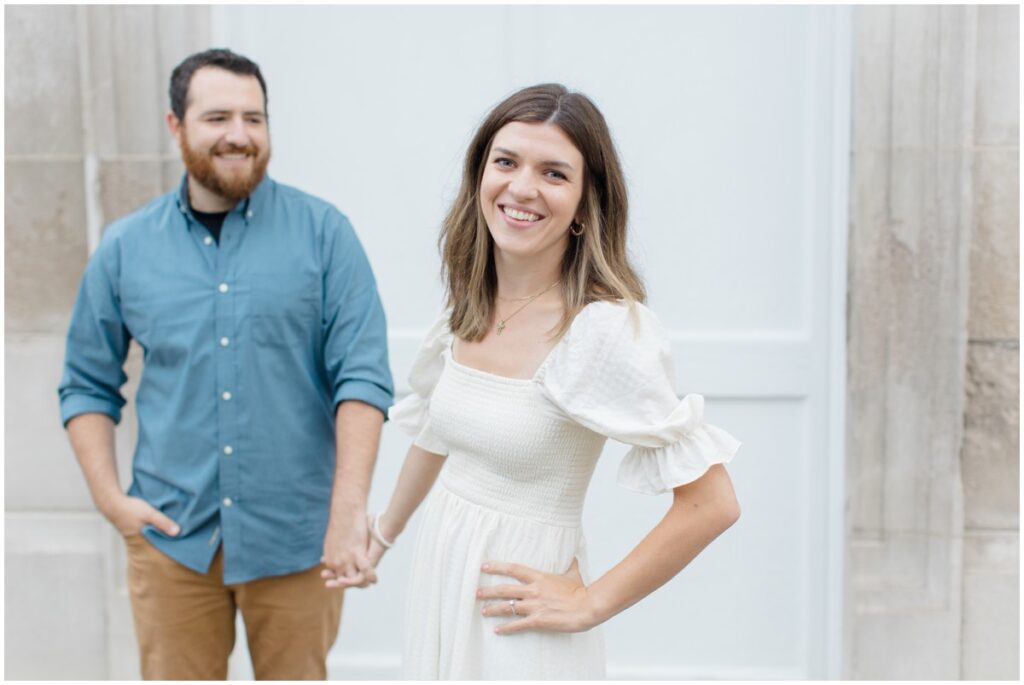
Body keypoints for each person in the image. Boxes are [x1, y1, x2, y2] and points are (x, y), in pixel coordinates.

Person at [329, 83, 742, 679]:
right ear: (480, 177)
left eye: (554, 173)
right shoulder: (467, 308)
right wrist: (381, 536)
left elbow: (712, 503)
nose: (522, 188)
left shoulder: (601, 333)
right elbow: (438, 434)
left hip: (517, 610)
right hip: (443, 579)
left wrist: (591, 602)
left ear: (583, 204)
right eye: (506, 162)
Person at [58, 48, 393, 680]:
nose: (239, 135)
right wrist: (111, 501)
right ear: (175, 126)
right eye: (217, 117)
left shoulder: (325, 234)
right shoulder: (126, 248)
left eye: (254, 118)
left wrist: (348, 515)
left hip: (298, 542)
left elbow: (364, 378)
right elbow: (85, 384)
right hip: (171, 542)